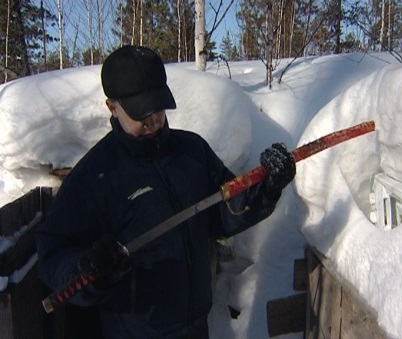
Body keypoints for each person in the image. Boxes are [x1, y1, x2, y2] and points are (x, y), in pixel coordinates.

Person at [37, 45, 296, 339]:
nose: (153, 120)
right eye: (140, 113)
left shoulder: (192, 151)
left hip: (196, 327)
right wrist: (88, 270)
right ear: (113, 107)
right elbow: (53, 254)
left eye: (157, 108)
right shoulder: (95, 176)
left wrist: (267, 187)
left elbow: (223, 212)